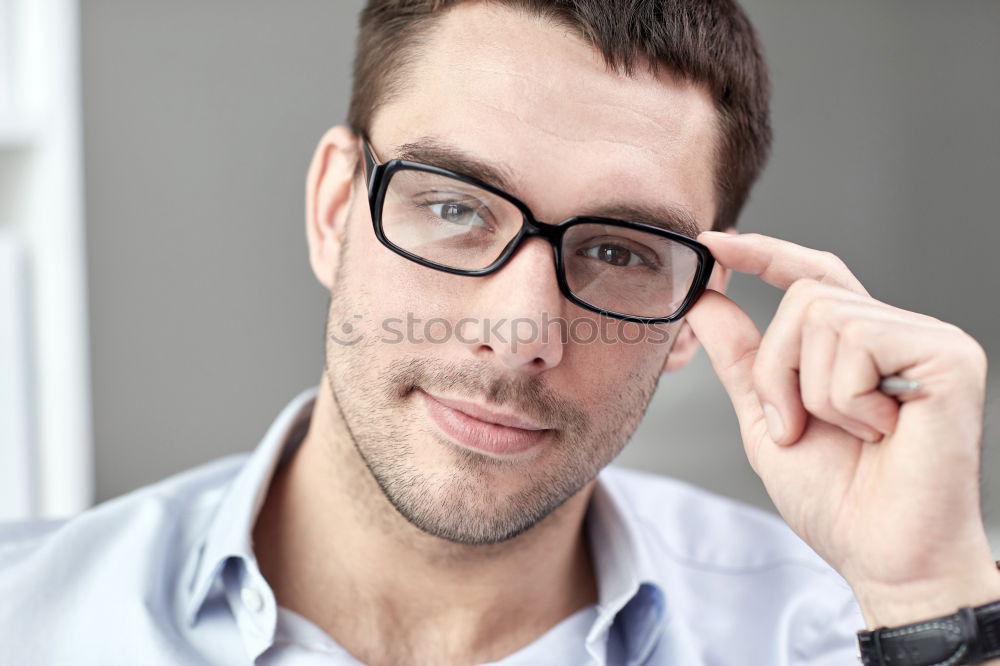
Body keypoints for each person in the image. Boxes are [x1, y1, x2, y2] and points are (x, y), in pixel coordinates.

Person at [2, 1, 998, 664]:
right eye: (455, 206)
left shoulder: (847, 636)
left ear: (695, 311)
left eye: (618, 251)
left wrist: (929, 594)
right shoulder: (27, 618)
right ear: (334, 207)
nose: (522, 330)